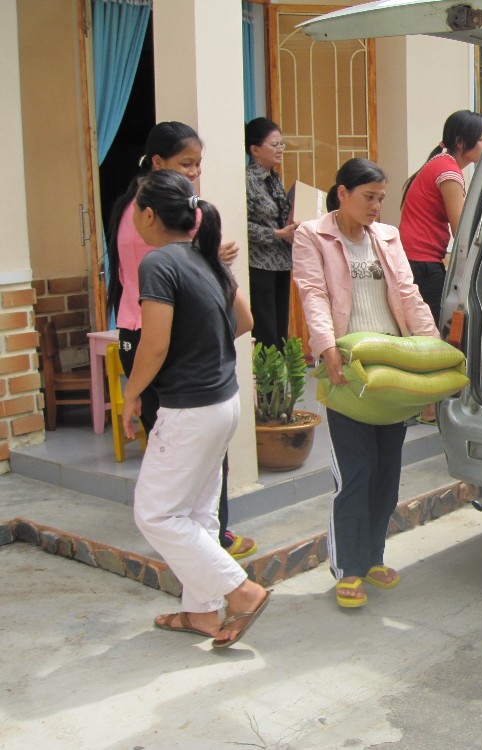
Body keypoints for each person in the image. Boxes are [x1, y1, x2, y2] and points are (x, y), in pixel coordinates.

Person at [124, 169, 270, 649]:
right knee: (197, 513)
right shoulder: (205, 256)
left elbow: (154, 344)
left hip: (190, 409)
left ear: (149, 215)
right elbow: (245, 319)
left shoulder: (158, 263)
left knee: (156, 514)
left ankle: (241, 592)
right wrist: (202, 345)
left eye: (135, 211)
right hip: (223, 402)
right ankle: (202, 613)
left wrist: (130, 395)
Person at [105, 121, 256, 560]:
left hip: (156, 341)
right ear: (157, 163)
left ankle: (204, 551)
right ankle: (208, 551)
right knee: (172, 489)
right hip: (156, 339)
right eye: (185, 164)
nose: (194, 173)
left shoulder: (143, 215)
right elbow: (160, 335)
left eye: (197, 165)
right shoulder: (152, 221)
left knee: (182, 467)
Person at [293, 158, 438, 609]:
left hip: (390, 368)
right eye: (368, 197)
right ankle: (349, 568)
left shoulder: (387, 237)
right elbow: (313, 293)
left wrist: (432, 351)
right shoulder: (312, 235)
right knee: (355, 472)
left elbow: (409, 295)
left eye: (381, 198)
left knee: (387, 471)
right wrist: (326, 346)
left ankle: (373, 556)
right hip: (348, 369)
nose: (377, 206)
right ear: (343, 193)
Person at [398, 110, 482, 424]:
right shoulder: (448, 171)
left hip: (417, 260)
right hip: (422, 263)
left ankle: (425, 406)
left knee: (426, 333)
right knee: (436, 337)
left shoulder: (439, 163)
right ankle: (428, 408)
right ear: (462, 142)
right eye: (481, 139)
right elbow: (462, 229)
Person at [245, 117, 299, 350]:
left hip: (281, 261)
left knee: (280, 327)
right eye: (274, 145)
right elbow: (242, 225)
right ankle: (266, 373)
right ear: (255, 149)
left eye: (281, 144)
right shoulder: (247, 180)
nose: (280, 150)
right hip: (259, 263)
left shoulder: (274, 178)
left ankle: (280, 371)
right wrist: (276, 234)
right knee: (265, 328)